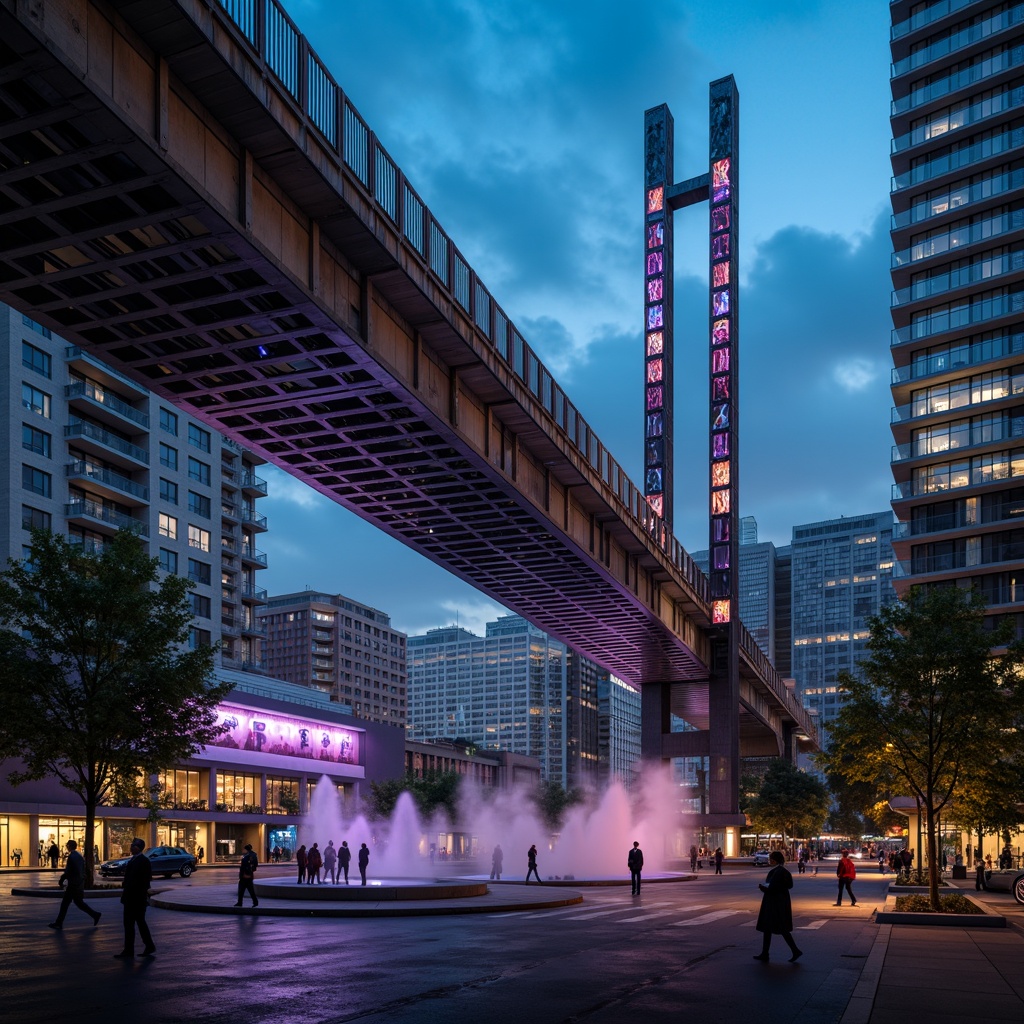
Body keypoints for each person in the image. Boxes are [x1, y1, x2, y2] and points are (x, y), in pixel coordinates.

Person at [753, 850, 802, 963]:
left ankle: (794, 950)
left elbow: (773, 888)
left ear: (774, 860)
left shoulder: (777, 872)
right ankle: (766, 953)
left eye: (771, 859)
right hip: (780, 901)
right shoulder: (783, 871)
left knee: (777, 927)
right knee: (770, 928)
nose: (770, 861)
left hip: (774, 902)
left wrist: (763, 888)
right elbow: (789, 885)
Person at [115, 838, 154, 959]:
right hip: (131, 898)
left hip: (136, 899)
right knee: (131, 924)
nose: (131, 847)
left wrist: (138, 895)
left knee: (136, 923)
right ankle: (133, 949)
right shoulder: (134, 860)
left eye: (133, 846)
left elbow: (145, 881)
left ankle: (141, 947)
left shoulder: (143, 861)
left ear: (138, 848)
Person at [49, 840, 101, 930]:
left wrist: (62, 879)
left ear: (69, 846)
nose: (66, 846)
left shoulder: (72, 856)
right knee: (79, 903)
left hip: (73, 884)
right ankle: (95, 914)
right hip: (78, 883)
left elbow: (69, 871)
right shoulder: (79, 856)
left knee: (65, 903)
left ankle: (59, 923)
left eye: (67, 845)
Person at [234, 843, 258, 908]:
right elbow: (255, 866)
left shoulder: (247, 856)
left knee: (241, 890)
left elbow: (244, 866)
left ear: (246, 849)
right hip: (249, 875)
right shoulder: (253, 855)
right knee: (250, 890)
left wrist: (244, 873)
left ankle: (240, 902)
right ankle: (255, 902)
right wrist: (251, 871)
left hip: (244, 876)